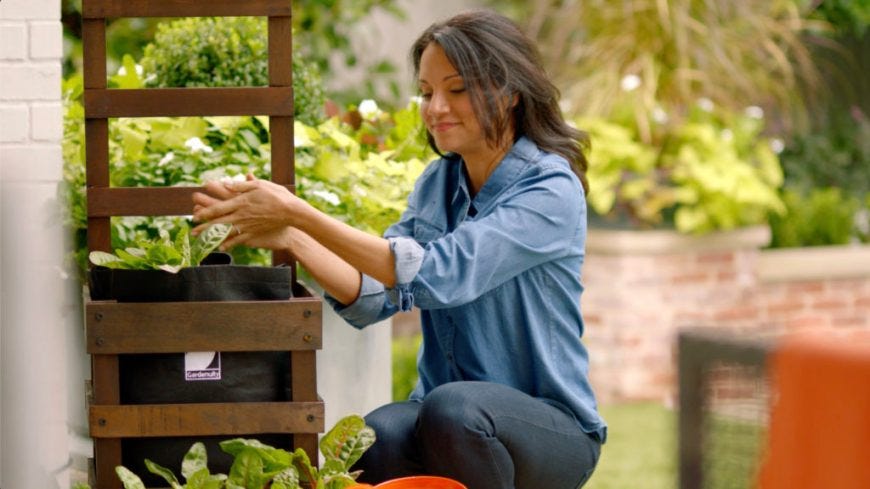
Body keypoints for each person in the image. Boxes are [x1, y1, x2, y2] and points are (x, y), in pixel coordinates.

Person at [192, 9, 605, 489]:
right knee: (377, 436)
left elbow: (438, 275)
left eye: (457, 89)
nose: (435, 109)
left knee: (455, 409)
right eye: (427, 92)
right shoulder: (438, 182)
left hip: (549, 431)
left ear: (510, 92)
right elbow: (373, 297)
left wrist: (298, 212)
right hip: (450, 420)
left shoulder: (549, 188)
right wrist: (291, 237)